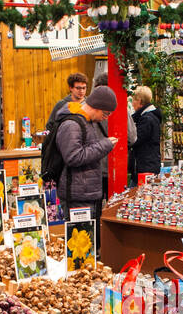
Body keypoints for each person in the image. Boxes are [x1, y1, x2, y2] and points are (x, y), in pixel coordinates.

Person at [51, 85, 118, 231]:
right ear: (96, 107)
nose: (105, 118)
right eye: (105, 114)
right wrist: (104, 146)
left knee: (87, 242)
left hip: (84, 192)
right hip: (76, 195)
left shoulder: (85, 122)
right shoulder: (72, 124)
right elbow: (73, 157)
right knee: (80, 243)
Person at [129, 85, 162, 183]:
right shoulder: (150, 116)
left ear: (139, 101)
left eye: (133, 100)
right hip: (149, 164)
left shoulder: (146, 119)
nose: (132, 104)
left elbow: (136, 139)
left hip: (145, 166)